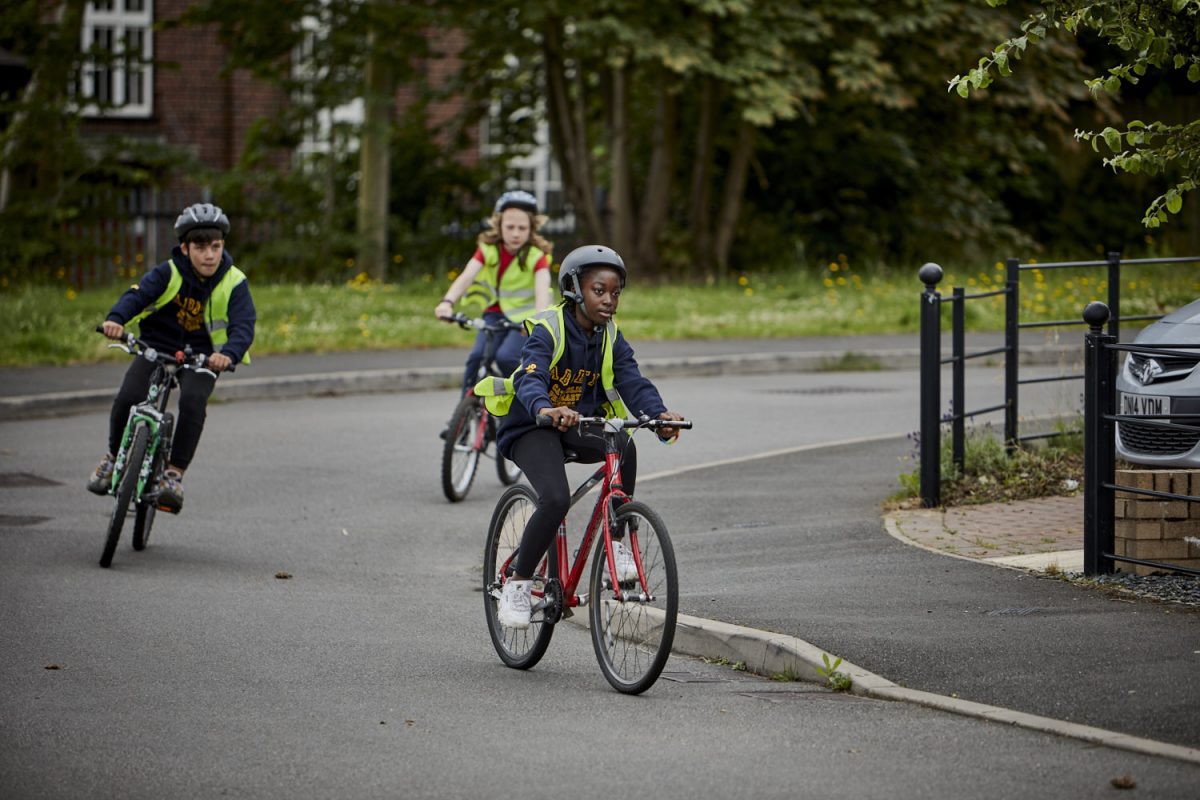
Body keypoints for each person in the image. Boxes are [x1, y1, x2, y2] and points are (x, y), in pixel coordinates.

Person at [476, 244, 684, 629]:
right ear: (574, 290)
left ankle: (617, 542)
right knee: (554, 498)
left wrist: (658, 414)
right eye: (598, 291)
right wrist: (545, 407)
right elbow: (530, 375)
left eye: (615, 292)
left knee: (624, 445)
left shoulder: (610, 336)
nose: (609, 300)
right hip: (532, 427)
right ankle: (518, 584)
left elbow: (632, 380)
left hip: (576, 425)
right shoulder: (549, 328)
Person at [87, 202, 256, 513]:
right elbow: (137, 295)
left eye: (216, 247)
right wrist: (116, 320)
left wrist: (228, 355)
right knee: (129, 397)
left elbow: (244, 326)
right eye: (201, 247)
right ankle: (113, 458)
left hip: (203, 357)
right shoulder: (168, 272)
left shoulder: (234, 282)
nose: (210, 255)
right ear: (185, 247)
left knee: (193, 401)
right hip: (157, 346)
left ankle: (173, 475)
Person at [433, 190, 553, 398]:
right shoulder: (488, 249)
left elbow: (543, 292)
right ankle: (463, 413)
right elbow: (466, 276)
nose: (516, 233)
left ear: (532, 228)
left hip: (525, 321)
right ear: (498, 226)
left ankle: (520, 401)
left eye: (522, 228)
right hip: (494, 314)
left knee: (507, 358)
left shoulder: (537, 256)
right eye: (510, 227)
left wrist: (536, 321)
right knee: (477, 357)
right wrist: (447, 302)